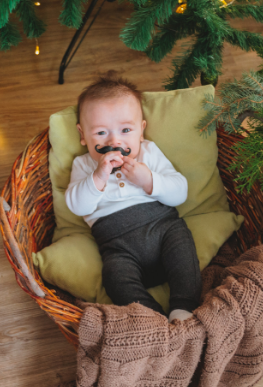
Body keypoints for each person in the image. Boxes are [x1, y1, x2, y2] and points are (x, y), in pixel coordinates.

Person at [65, 72, 201, 322]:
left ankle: (183, 308)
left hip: (163, 228)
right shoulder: (84, 165)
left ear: (141, 131)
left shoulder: (148, 153)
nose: (114, 141)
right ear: (83, 135)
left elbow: (180, 191)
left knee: (183, 248)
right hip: (118, 245)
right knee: (114, 278)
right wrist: (98, 177)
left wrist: (150, 180)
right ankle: (152, 319)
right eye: (101, 133)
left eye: (126, 130)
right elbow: (76, 205)